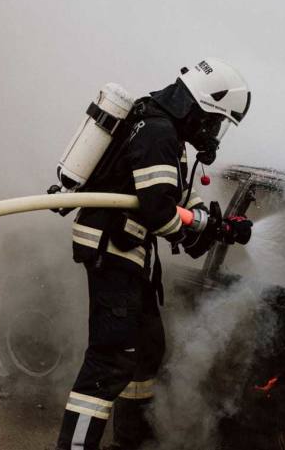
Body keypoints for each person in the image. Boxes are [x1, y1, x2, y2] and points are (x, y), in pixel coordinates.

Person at [56, 58, 253, 450]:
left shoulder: (161, 129)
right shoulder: (158, 132)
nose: (214, 133)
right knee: (109, 361)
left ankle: (131, 442)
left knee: (146, 349)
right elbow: (158, 212)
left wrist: (214, 224)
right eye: (216, 122)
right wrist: (208, 227)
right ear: (203, 108)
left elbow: (173, 195)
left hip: (129, 255)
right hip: (113, 252)